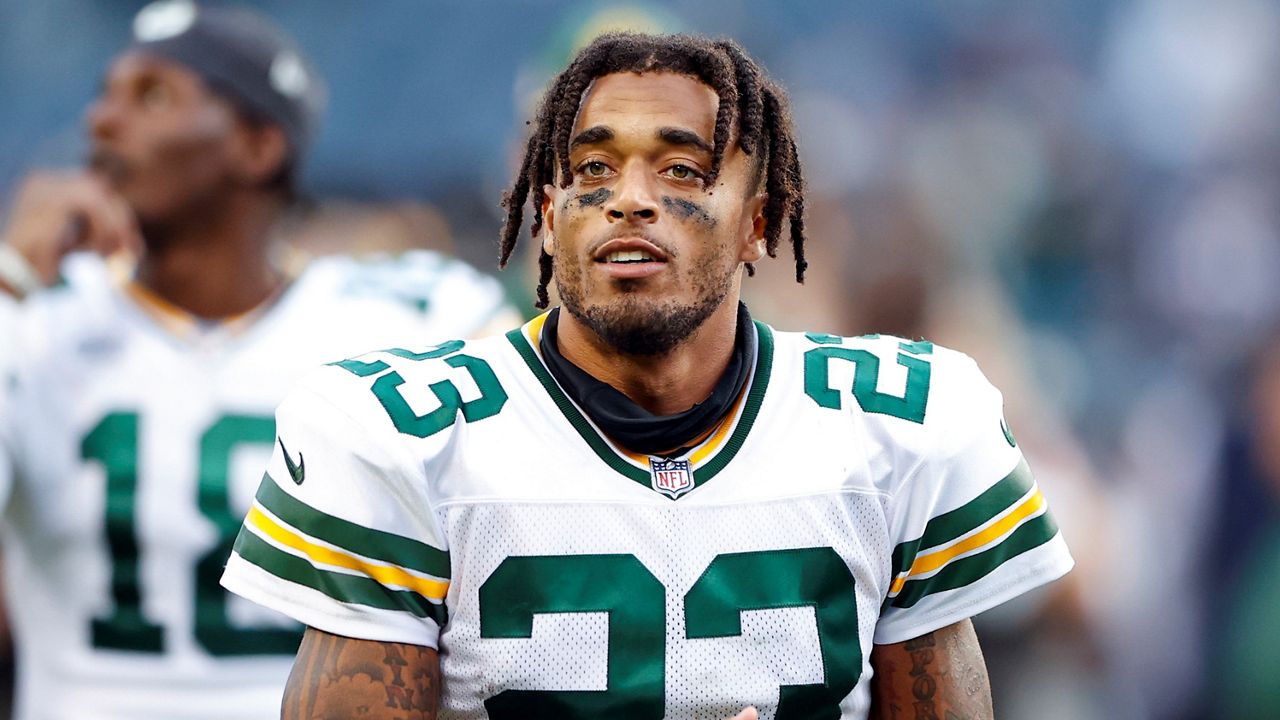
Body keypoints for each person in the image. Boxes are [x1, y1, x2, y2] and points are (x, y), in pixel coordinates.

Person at [220, 33, 1074, 719]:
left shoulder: (901, 425)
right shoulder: (396, 432)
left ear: (759, 225)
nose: (630, 198)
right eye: (593, 169)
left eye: (682, 170)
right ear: (548, 221)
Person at [0, 1, 517, 718]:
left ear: (258, 145)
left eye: (151, 95)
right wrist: (9, 280)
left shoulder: (406, 318)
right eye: (105, 93)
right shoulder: (36, 313)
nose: (102, 122)